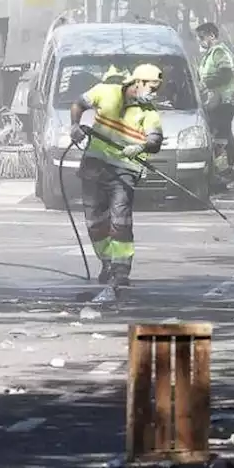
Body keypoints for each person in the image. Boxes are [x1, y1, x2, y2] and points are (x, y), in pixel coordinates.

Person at [69, 64, 165, 302]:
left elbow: (155, 140)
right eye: (152, 87)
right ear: (137, 82)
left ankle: (121, 271)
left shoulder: (149, 113)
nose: (154, 93)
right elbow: (78, 104)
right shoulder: (105, 92)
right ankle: (108, 263)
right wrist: (74, 126)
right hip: (95, 165)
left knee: (120, 219)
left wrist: (141, 146)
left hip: (125, 171)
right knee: (94, 221)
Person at [195, 22, 234, 191]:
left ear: (211, 36)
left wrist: (206, 84)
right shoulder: (210, 54)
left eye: (201, 37)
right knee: (223, 137)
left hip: (223, 102)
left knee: (219, 139)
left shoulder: (220, 52)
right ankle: (223, 171)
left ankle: (224, 172)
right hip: (215, 101)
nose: (200, 41)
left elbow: (226, 73)